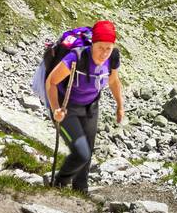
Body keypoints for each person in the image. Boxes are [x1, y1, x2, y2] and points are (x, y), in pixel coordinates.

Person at [45, 20, 123, 194]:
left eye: (108, 48)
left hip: (91, 106)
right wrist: (56, 108)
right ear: (92, 43)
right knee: (81, 154)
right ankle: (58, 185)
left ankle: (81, 191)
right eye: (100, 47)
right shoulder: (76, 57)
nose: (104, 53)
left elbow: (113, 81)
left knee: (87, 151)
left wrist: (120, 106)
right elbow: (51, 81)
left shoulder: (113, 57)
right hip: (66, 107)